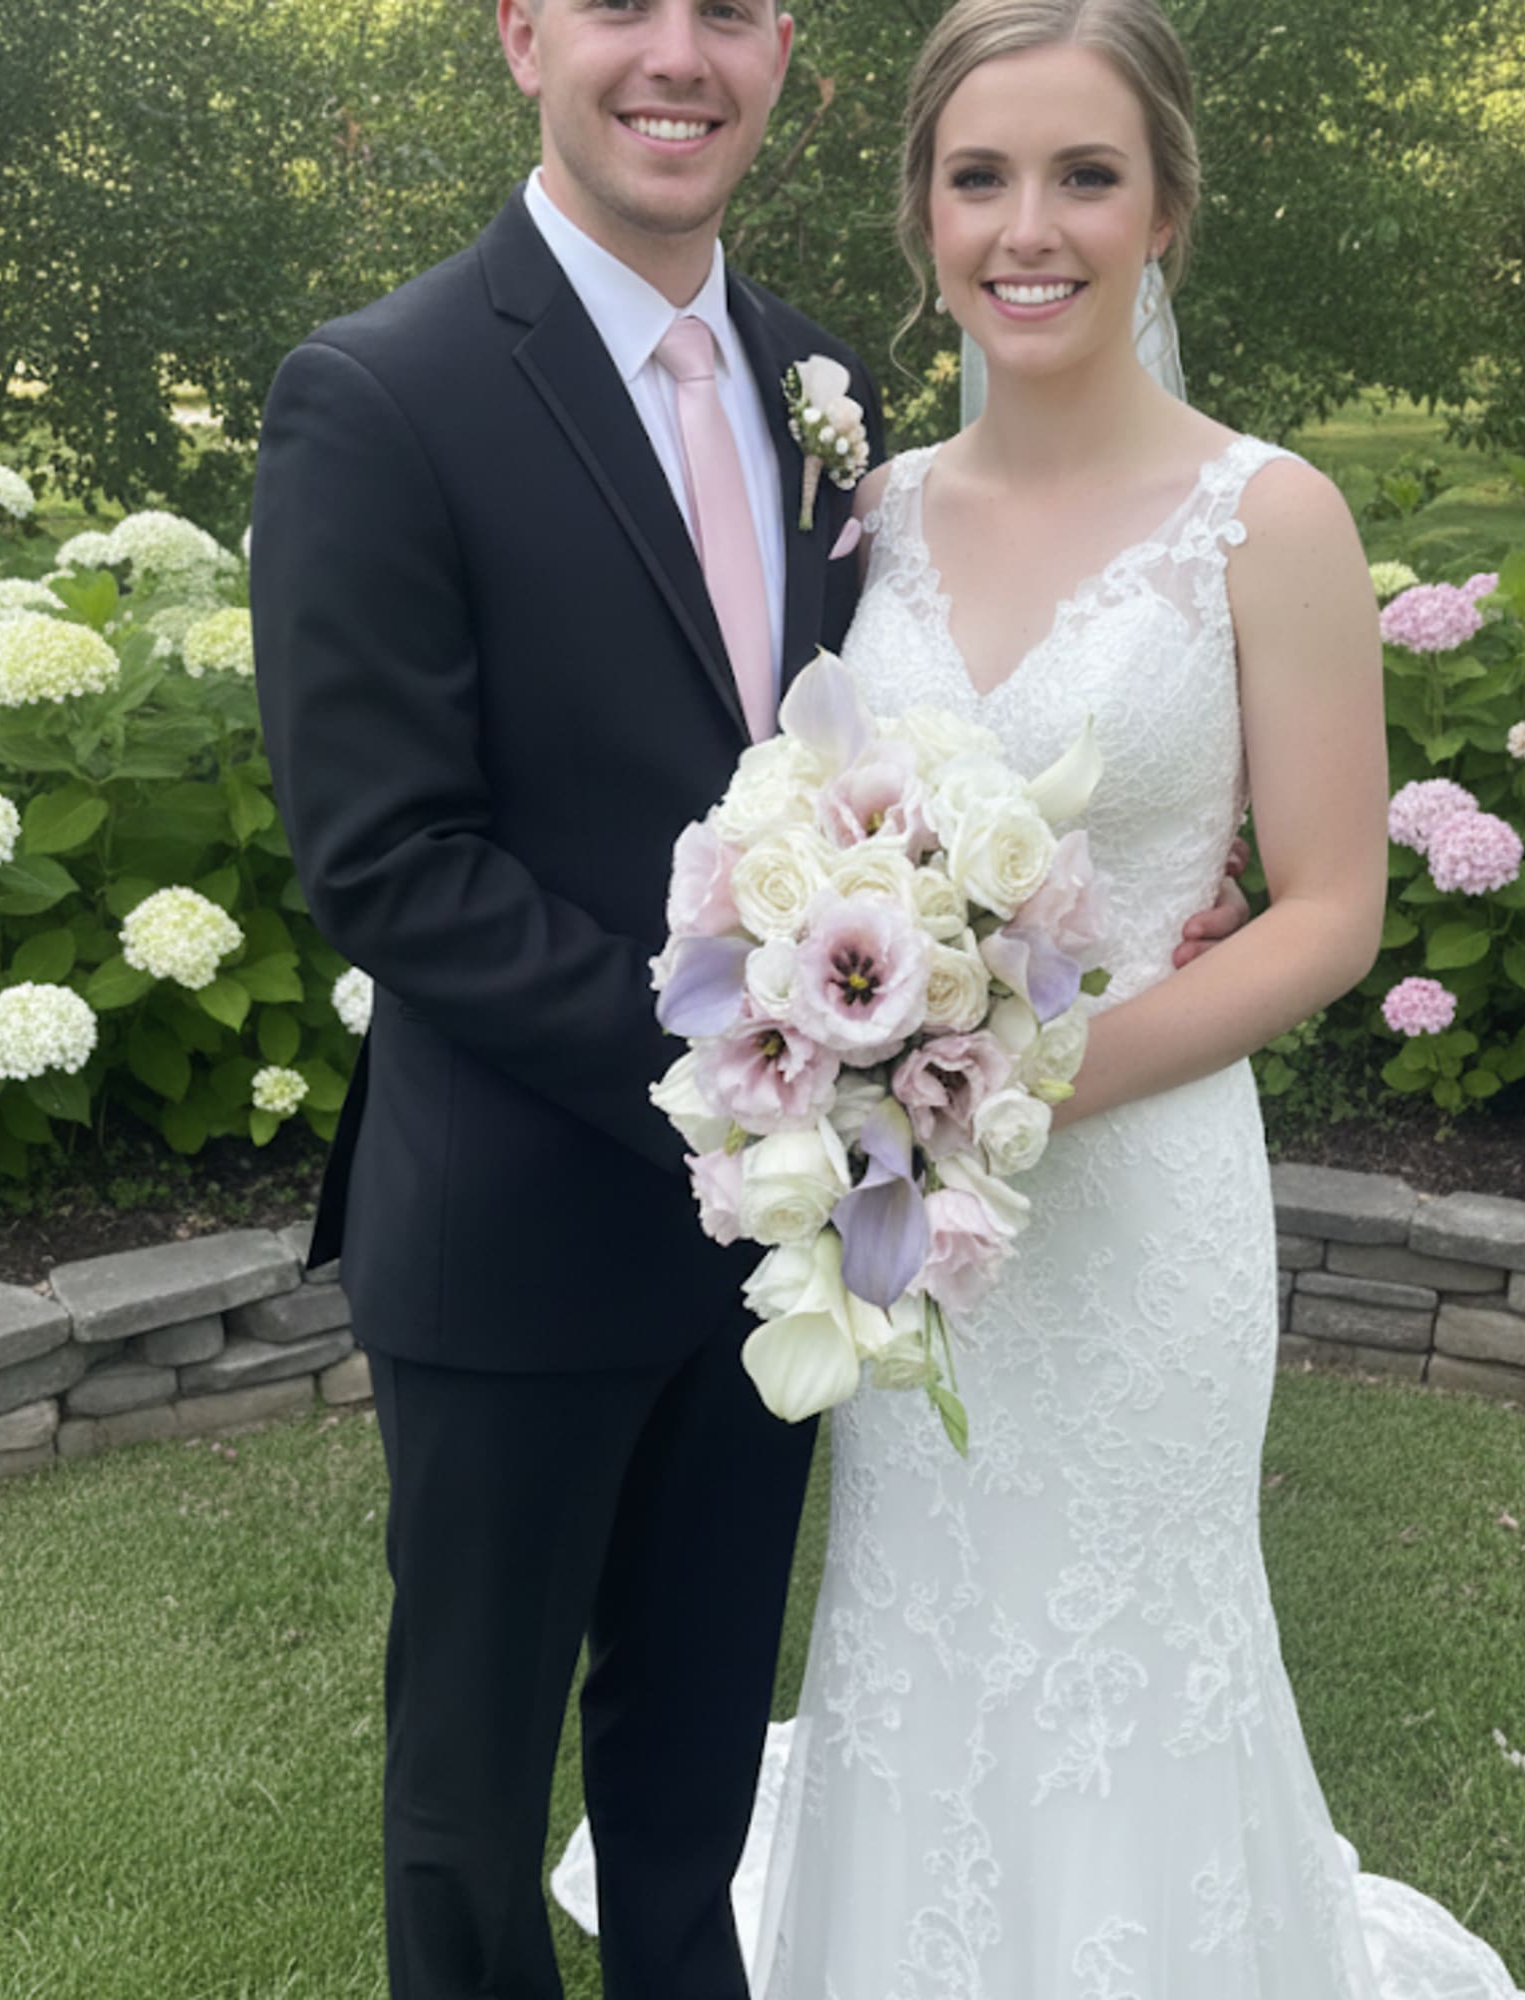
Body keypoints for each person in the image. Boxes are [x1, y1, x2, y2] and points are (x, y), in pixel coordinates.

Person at [252, 0, 1252, 1992]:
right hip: (526, 1229)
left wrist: (1040, 934)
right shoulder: (380, 389)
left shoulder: (822, 379)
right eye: (620, 4)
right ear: (523, 35)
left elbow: (891, 746)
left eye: (727, 9)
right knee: (468, 1793)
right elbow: (388, 861)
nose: (675, 56)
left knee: (693, 1773)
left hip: (779, 1261)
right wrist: (778, 1076)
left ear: (784, 48)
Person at [721, 0, 1525, 1993]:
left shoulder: (1267, 520)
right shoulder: (871, 513)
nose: (1030, 227)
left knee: (1131, 1611)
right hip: (914, 1207)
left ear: (1167, 203)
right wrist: (854, 1048)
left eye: (1086, 173)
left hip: (1144, 1191)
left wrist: (1019, 1074)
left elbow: (1325, 907)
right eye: (978, 175)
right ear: (921, 210)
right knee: (921, 1582)